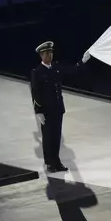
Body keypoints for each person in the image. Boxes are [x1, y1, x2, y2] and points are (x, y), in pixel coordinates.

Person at [30, 41, 90, 173]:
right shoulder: (37, 72)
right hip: (46, 110)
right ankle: (49, 164)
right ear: (41, 55)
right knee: (48, 137)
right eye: (46, 53)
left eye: (51, 52)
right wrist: (38, 111)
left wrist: (82, 61)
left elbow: (71, 70)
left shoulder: (56, 67)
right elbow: (35, 92)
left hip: (57, 108)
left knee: (56, 137)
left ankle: (56, 162)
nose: (49, 55)